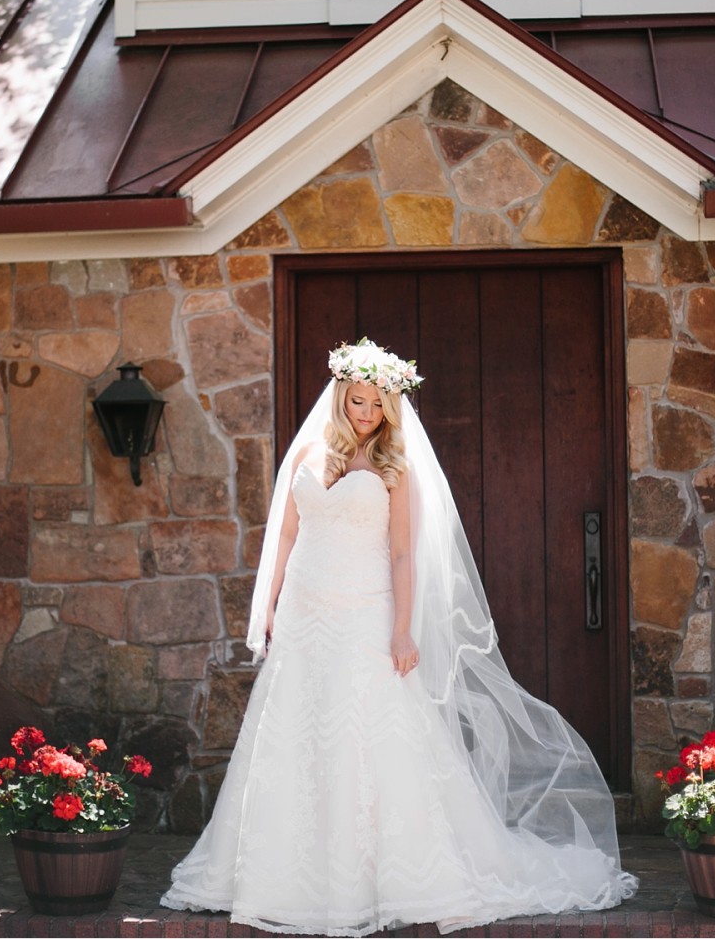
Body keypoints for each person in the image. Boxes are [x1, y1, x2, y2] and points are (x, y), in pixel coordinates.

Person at [160, 339, 636, 935]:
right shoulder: (308, 450)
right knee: (294, 729)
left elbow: (404, 552)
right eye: (357, 400)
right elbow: (284, 537)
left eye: (376, 403)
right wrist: (273, 604)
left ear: (390, 405)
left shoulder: (395, 465)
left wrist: (403, 629)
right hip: (307, 611)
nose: (365, 412)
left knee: (370, 735)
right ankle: (278, 873)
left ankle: (379, 877)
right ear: (341, 396)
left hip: (366, 611)